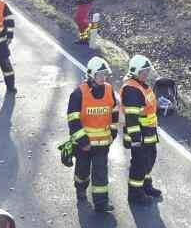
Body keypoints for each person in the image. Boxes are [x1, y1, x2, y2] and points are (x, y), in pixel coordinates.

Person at [67, 57, 118, 212]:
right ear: (91, 75)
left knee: (101, 174)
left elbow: (114, 112)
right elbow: (73, 121)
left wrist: (113, 133)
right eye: (100, 75)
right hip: (84, 146)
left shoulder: (109, 90)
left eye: (105, 74)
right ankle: (80, 188)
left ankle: (101, 204)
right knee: (82, 170)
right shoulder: (78, 93)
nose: (103, 78)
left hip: (102, 144)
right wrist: (84, 142)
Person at [121, 54, 161, 204]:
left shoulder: (142, 85)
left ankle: (146, 186)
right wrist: (136, 139)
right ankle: (135, 194)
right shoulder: (132, 89)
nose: (146, 74)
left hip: (149, 132)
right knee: (139, 164)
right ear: (135, 71)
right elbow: (131, 118)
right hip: (140, 135)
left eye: (147, 71)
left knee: (148, 160)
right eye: (143, 71)